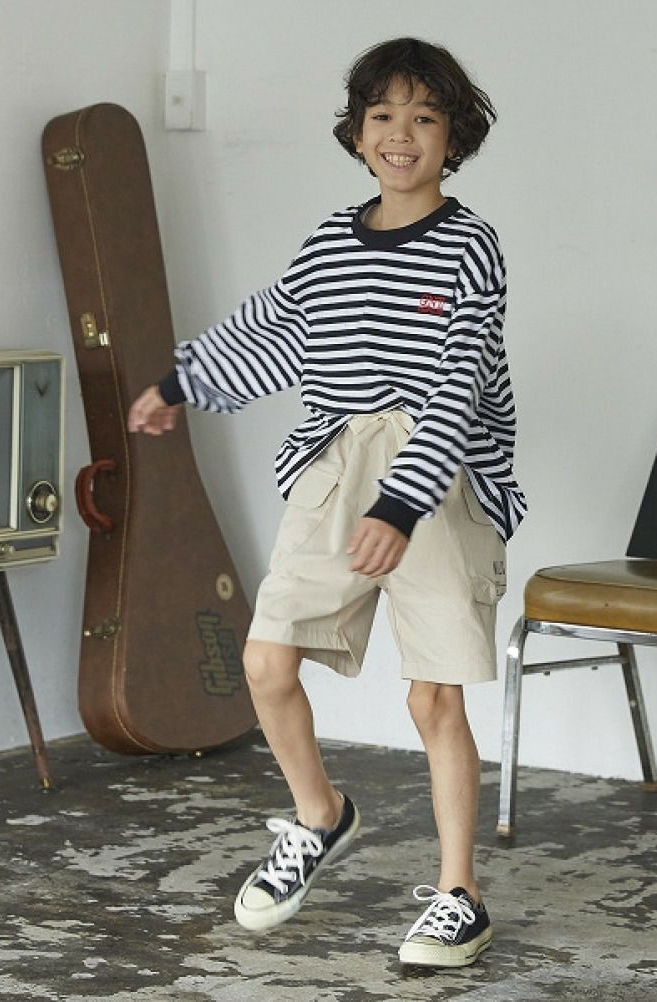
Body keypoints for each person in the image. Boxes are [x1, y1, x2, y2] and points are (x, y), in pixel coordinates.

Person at [127, 36, 526, 969]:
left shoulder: (471, 246)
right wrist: (179, 384)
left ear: (455, 138)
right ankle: (320, 815)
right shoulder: (329, 244)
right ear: (356, 134)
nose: (401, 134)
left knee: (433, 696)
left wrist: (403, 504)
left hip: (438, 474)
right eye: (382, 115)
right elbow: (271, 328)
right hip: (333, 466)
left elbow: (458, 384)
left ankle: (460, 894)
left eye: (424, 117)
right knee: (266, 660)